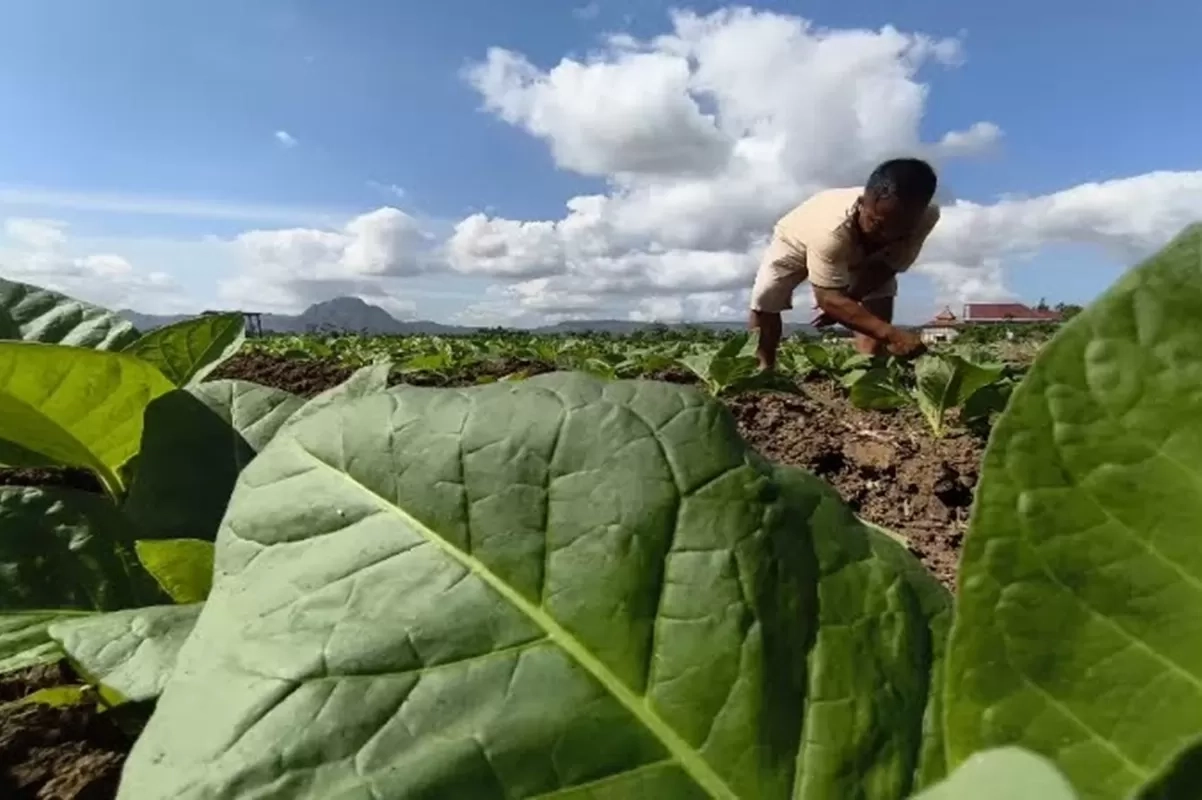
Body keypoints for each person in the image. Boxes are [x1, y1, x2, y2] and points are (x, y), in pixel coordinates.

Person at [748, 158, 941, 370]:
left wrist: (850, 300)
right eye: (876, 223)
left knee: (879, 296)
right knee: (766, 296)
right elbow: (828, 298)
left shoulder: (927, 216)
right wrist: (892, 334)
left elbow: (887, 267)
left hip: (865, 252)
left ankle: (869, 372)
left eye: (901, 226)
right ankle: (762, 369)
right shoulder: (830, 231)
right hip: (797, 237)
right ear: (862, 203)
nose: (888, 234)